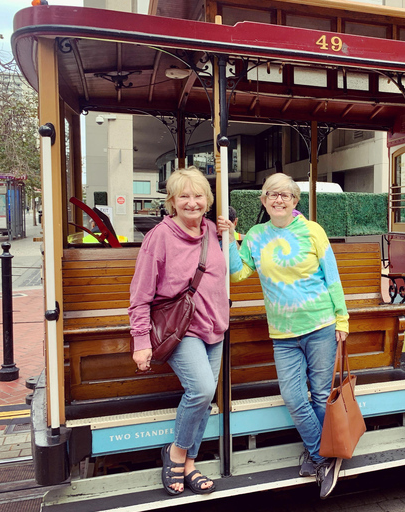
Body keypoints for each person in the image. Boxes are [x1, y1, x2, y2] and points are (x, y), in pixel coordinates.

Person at [218, 173, 348, 499]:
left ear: (295, 200)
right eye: (272, 195)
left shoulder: (312, 231)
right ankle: (324, 457)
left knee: (319, 396)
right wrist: (230, 236)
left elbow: (331, 277)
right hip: (282, 334)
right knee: (293, 398)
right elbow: (238, 272)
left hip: (320, 326)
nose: (278, 200)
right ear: (263, 201)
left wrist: (342, 319)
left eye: (285, 195)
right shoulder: (257, 236)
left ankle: (321, 455)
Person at [128, 167, 229, 496]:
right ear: (172, 201)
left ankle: (189, 464)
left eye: (198, 195)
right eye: (184, 196)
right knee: (200, 390)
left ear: (208, 201)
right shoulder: (159, 235)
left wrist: (232, 235)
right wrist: (140, 341)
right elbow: (140, 295)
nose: (192, 202)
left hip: (216, 329)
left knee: (205, 398)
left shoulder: (213, 230)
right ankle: (175, 452)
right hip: (182, 330)